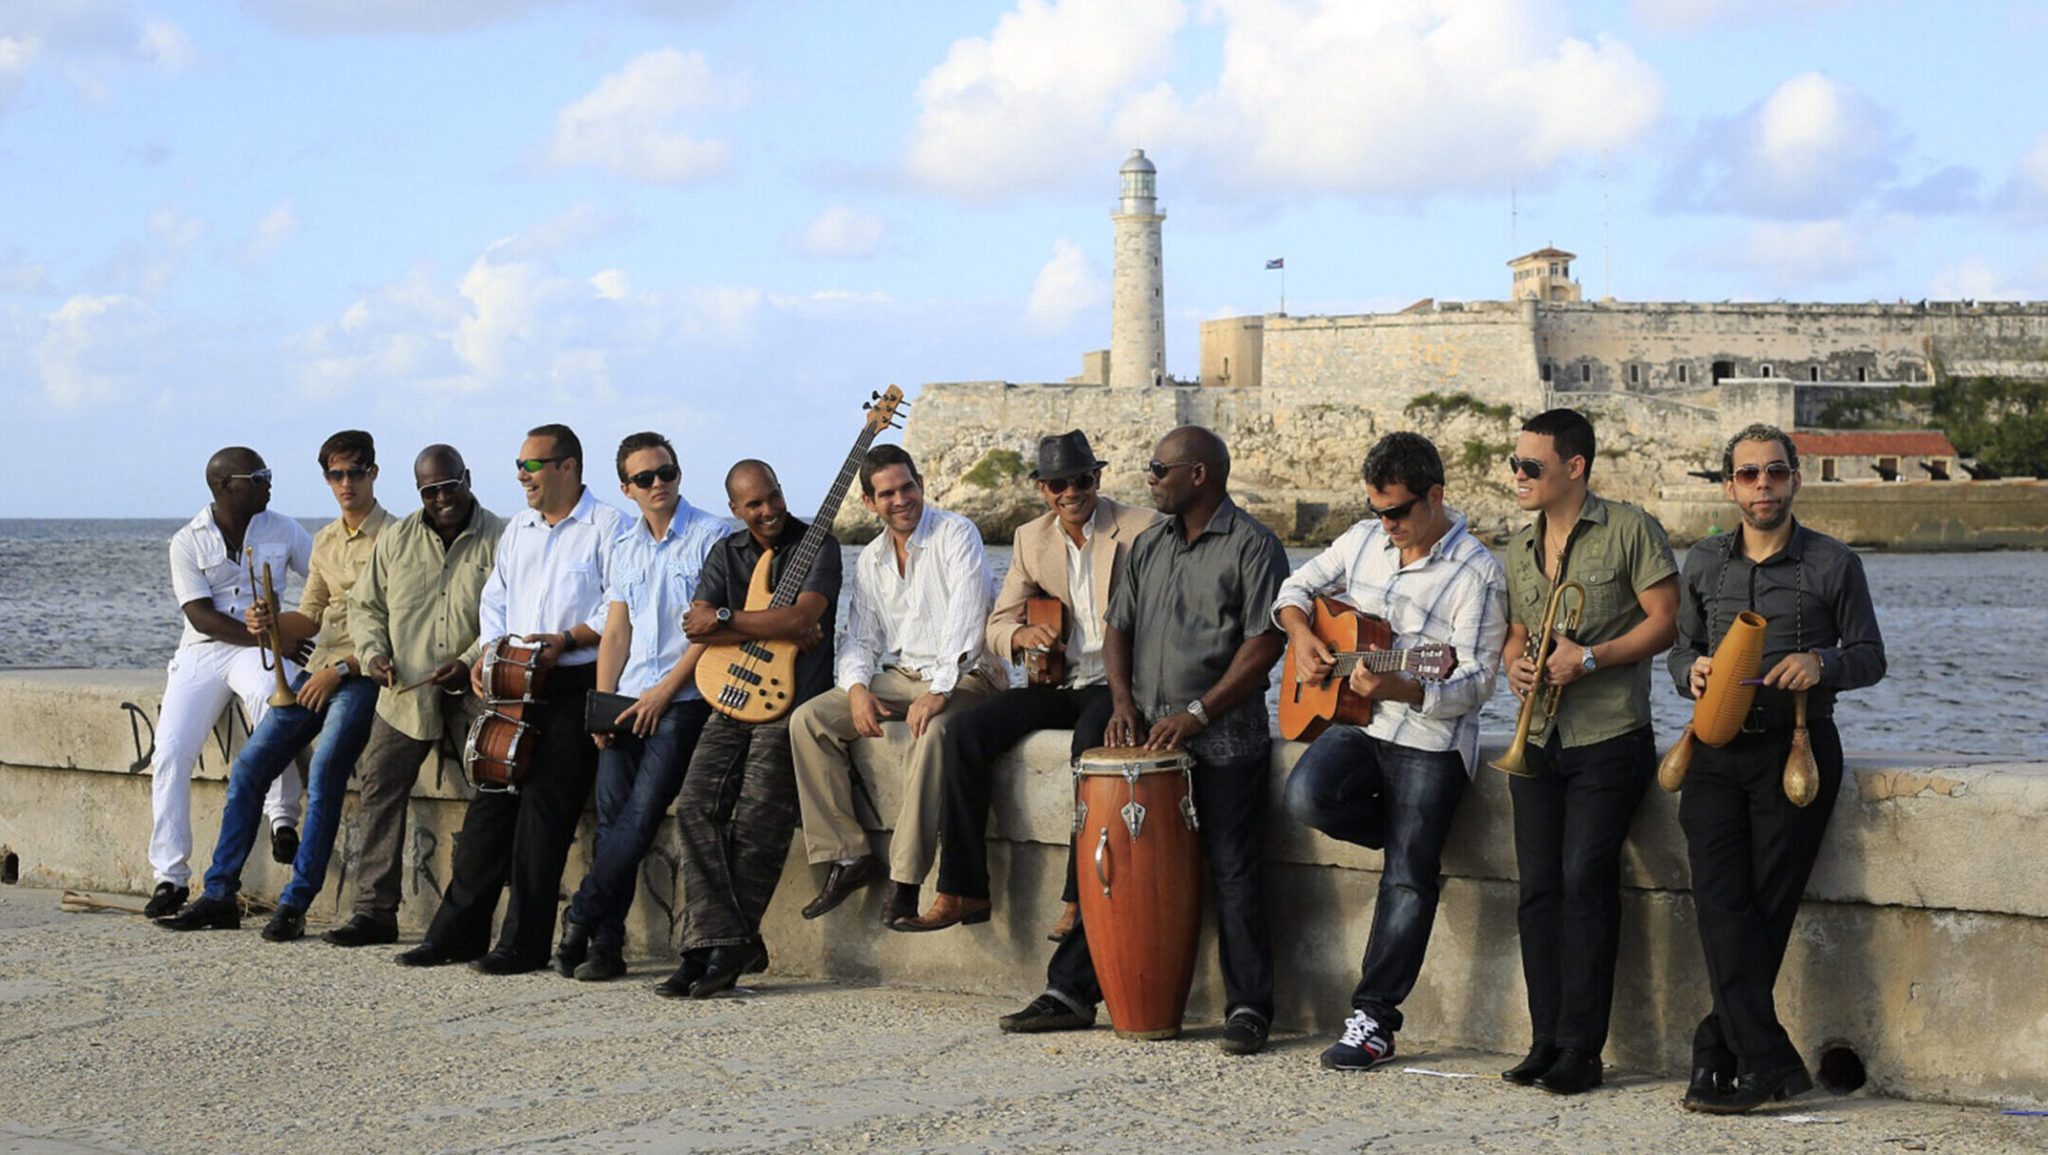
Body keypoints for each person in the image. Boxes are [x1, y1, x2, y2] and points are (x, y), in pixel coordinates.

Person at [997, 425, 1289, 1056]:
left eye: (1159, 469)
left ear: (1200, 475)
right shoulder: (1150, 545)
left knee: (1235, 873)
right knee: (1120, 871)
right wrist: (1122, 703)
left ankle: (1248, 1009)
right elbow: (1117, 626)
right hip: (1149, 744)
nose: (1149, 479)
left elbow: (1265, 645)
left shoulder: (1254, 546)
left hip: (1224, 742)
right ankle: (1072, 991)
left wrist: (1199, 713)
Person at [1668, 423, 1886, 1114]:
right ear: (1729, 485)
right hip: (1714, 749)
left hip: (1797, 750)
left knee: (1765, 907)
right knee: (1719, 905)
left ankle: (1716, 1052)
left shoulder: (1834, 563)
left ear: (1796, 479)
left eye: (1775, 473)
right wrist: (1691, 670)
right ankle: (1766, 1060)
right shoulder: (1702, 563)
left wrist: (1821, 663)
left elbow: (1871, 655)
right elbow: (1677, 653)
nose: (1763, 485)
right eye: (1749, 474)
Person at [1275, 432, 1508, 1069]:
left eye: (1399, 512)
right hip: (1358, 724)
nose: (1388, 524)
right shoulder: (1362, 540)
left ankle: (1374, 1021)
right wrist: (1301, 638)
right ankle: (1409, 845)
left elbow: (1476, 682)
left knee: (1407, 882)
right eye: (1378, 510)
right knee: (1305, 795)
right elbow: (1293, 591)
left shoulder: (1478, 573)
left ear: (1435, 496)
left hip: (1429, 740)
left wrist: (1405, 684)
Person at [896, 430, 1158, 934]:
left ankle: (1078, 896)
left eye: (1080, 480)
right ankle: (962, 890)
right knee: (963, 732)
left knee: (1090, 744)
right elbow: (994, 626)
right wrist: (1022, 635)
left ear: (1097, 478)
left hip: (1120, 686)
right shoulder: (1029, 539)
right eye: (1057, 483)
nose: (1070, 492)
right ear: (1042, 489)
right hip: (1058, 685)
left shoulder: (1142, 527)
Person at [396, 423, 628, 973]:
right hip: (512, 682)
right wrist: (490, 652)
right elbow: (495, 598)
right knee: (488, 809)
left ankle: (522, 945)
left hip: (574, 682)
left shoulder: (608, 526)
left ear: (567, 467)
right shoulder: (519, 529)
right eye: (519, 466)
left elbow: (618, 607)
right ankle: (455, 934)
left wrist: (568, 641)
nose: (521, 477)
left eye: (532, 466)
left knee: (545, 813)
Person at [1497, 407, 1679, 1095]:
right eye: (1514, 464)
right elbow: (1517, 629)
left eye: (1530, 466)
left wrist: (1593, 656)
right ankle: (1545, 1037)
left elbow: (1665, 622)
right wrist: (1516, 662)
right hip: (1539, 738)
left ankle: (1583, 1047)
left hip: (1610, 736)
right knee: (1537, 891)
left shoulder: (1630, 528)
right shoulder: (1518, 547)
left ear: (1574, 467)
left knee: (1585, 882)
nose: (1517, 475)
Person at [158, 431, 390, 940]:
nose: (345, 483)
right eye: (335, 474)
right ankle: (218, 894)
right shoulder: (326, 540)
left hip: (359, 675)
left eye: (355, 472)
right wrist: (269, 626)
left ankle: (296, 901)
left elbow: (402, 626)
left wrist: (341, 670)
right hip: (317, 673)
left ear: (374, 473)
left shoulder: (397, 539)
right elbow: (308, 615)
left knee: (327, 771)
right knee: (247, 769)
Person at [788, 444, 1004, 929]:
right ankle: (848, 855)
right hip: (904, 676)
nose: (901, 499)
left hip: (969, 675)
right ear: (869, 503)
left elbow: (968, 626)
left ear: (922, 484)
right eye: (887, 493)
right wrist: (859, 688)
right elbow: (859, 637)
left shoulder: (956, 533)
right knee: (809, 719)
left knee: (932, 734)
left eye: (907, 487)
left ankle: (904, 883)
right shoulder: (870, 560)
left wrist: (941, 689)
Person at [659, 459, 841, 997]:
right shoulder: (727, 553)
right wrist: (748, 624)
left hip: (790, 703)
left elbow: (801, 619)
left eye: (774, 496)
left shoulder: (820, 545)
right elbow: (696, 624)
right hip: (729, 696)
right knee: (694, 805)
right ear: (736, 510)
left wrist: (728, 621)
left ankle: (717, 950)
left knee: (760, 816)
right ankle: (724, 941)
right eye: (754, 504)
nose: (768, 511)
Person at [553, 432, 727, 980]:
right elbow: (616, 631)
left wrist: (663, 693)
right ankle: (607, 948)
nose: (660, 485)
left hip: (684, 699)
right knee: (611, 821)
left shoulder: (711, 536)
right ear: (626, 488)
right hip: (626, 698)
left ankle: (579, 914)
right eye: (646, 478)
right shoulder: (624, 544)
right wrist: (604, 705)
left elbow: (709, 634)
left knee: (641, 815)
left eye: (667, 473)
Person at [324, 445, 505, 948]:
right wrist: (374, 652)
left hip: (473, 688)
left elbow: (509, 613)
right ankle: (374, 913)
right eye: (431, 491)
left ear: (467, 478)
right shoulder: (397, 538)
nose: (443, 497)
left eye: (451, 485)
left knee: (495, 792)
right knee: (379, 789)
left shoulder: (502, 537)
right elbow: (366, 606)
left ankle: (474, 918)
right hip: (405, 690)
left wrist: (468, 660)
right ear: (418, 492)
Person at [140, 447, 310, 918]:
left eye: (267, 473)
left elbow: (322, 581)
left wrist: (290, 629)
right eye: (257, 476)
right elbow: (199, 615)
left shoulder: (284, 528)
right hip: (205, 649)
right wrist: (268, 640)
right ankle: (170, 877)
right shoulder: (187, 541)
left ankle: (282, 817)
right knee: (171, 750)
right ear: (223, 487)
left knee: (270, 703)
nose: (268, 482)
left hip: (260, 648)